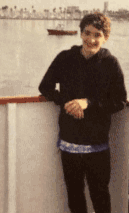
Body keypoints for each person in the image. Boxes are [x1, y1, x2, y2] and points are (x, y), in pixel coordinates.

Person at [39, 12, 127, 213]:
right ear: (80, 33)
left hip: (97, 144)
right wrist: (67, 103)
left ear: (105, 37)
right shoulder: (65, 58)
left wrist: (88, 103)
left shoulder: (110, 63)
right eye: (87, 33)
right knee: (75, 196)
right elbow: (45, 87)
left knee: (100, 196)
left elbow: (120, 101)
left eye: (97, 35)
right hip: (69, 142)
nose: (91, 39)